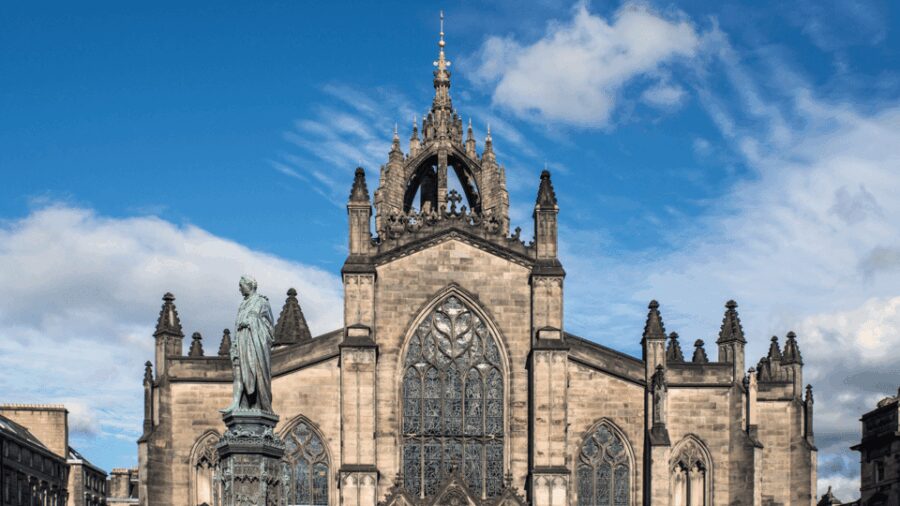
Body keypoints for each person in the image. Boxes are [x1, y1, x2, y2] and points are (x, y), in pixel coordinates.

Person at [221, 275, 275, 414]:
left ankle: (258, 404)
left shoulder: (262, 302)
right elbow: (236, 326)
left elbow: (270, 329)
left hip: (255, 344)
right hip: (241, 342)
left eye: (241, 285)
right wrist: (234, 344)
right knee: (238, 373)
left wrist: (252, 322)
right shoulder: (242, 305)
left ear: (249, 285)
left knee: (256, 374)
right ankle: (237, 403)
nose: (239, 289)